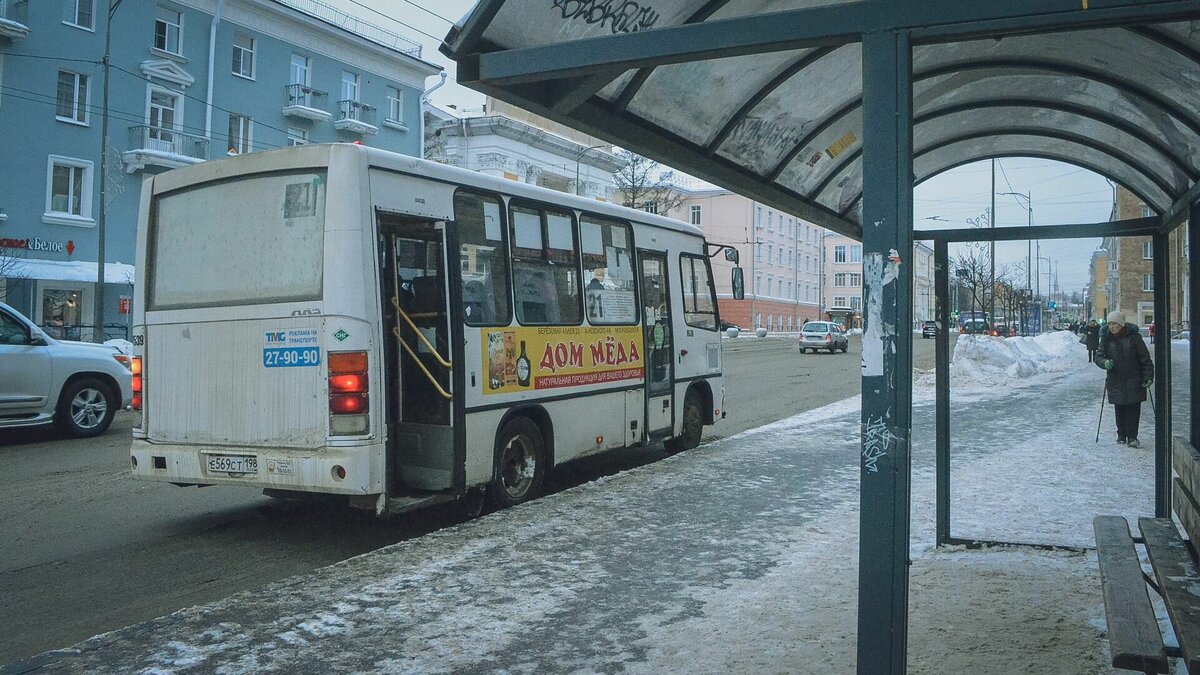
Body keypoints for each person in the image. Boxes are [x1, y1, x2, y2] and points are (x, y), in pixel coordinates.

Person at [1094, 310, 1153, 447]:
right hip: (1115, 378)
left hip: (1134, 379)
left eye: (1114, 323)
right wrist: (1105, 363)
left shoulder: (1134, 338)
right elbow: (1099, 356)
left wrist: (1148, 377)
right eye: (1110, 324)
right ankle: (1121, 434)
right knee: (1119, 407)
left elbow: (1145, 359)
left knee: (1133, 408)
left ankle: (1132, 437)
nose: (1111, 327)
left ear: (1121, 324)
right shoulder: (1106, 339)